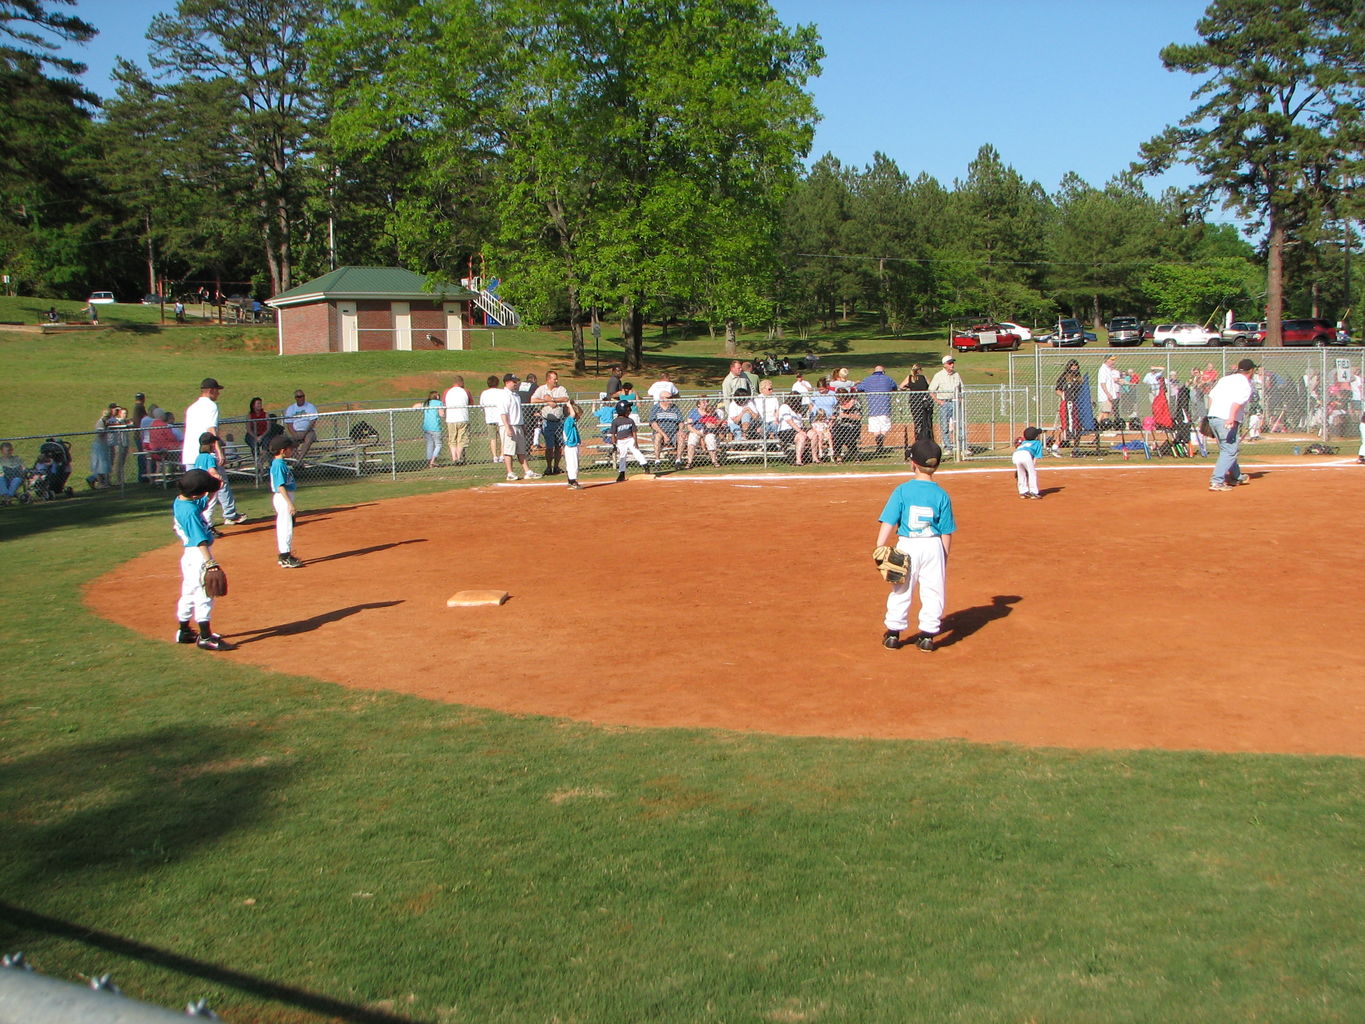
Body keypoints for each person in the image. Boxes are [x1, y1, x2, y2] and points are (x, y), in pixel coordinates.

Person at [876, 439, 955, 652]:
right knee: (933, 590)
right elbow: (946, 531)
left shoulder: (902, 490)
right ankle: (928, 635)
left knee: (901, 588)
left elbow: (889, 521)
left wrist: (880, 546)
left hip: (907, 544)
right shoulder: (942, 494)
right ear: (937, 466)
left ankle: (893, 633)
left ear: (912, 463)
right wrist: (943, 556)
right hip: (933, 545)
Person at [172, 468, 229, 650]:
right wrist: (210, 562)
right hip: (198, 554)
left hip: (189, 556)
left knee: (188, 592)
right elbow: (200, 540)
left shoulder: (182, 501)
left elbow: (203, 501)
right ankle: (205, 636)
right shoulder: (190, 513)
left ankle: (184, 631)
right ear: (196, 494)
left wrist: (213, 488)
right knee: (205, 594)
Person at [183, 377, 245, 523]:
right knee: (219, 481)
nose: (218, 393)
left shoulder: (192, 407)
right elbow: (211, 429)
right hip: (205, 453)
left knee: (192, 488)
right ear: (211, 390)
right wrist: (218, 450)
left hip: (190, 453)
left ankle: (188, 519)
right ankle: (228, 515)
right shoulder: (211, 406)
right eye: (217, 390)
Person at [1207, 358, 1257, 491]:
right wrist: (1231, 418)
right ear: (1251, 371)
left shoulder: (1225, 379)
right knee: (1229, 450)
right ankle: (1217, 481)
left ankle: (1236, 476)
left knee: (1227, 449)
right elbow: (1237, 403)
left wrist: (1211, 416)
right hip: (1226, 418)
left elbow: (1211, 396)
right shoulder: (1245, 384)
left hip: (1214, 416)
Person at [268, 436, 304, 567]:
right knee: (286, 527)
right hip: (283, 497)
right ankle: (285, 556)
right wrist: (289, 504)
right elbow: (280, 486)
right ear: (283, 450)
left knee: (287, 525)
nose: (292, 450)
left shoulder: (280, 463)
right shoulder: (278, 465)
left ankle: (285, 554)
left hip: (285, 497)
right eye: (290, 449)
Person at [497, 373, 538, 481]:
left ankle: (527, 471)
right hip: (509, 425)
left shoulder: (516, 395)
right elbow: (503, 413)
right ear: (507, 383)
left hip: (518, 425)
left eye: (516, 382)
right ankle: (510, 472)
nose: (516, 384)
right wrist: (507, 427)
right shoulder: (504, 395)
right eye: (514, 382)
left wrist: (523, 426)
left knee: (521, 450)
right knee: (508, 451)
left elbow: (519, 412)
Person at [533, 370, 570, 474]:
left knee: (559, 446)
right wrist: (546, 401)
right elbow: (533, 400)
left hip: (559, 421)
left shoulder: (561, 388)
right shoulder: (541, 389)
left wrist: (553, 399)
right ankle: (548, 467)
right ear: (548, 379)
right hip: (547, 421)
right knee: (549, 446)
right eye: (554, 379)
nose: (556, 381)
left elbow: (565, 398)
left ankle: (556, 467)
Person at [857, 365, 897, 451]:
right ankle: (881, 441)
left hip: (872, 408)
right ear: (883, 372)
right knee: (884, 427)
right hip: (885, 407)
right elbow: (894, 387)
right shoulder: (888, 379)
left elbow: (859, 388)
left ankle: (878, 442)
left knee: (875, 428)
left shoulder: (867, 380)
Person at [928, 356, 963, 453]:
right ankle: (948, 447)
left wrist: (960, 399)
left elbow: (961, 388)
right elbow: (931, 390)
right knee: (945, 426)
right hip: (945, 403)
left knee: (959, 425)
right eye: (950, 363)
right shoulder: (939, 375)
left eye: (952, 363)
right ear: (945, 364)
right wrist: (938, 401)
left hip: (955, 401)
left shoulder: (956, 375)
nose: (952, 365)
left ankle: (962, 446)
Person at [610, 399, 649, 482]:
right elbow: (613, 434)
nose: (630, 410)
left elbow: (634, 432)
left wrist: (636, 441)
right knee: (622, 456)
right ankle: (622, 473)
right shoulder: (615, 421)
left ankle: (645, 465)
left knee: (636, 451)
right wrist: (614, 444)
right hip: (620, 441)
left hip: (630, 439)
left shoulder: (630, 420)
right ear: (622, 410)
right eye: (628, 408)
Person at [1053, 359, 1083, 454]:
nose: (1074, 367)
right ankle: (1055, 445)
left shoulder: (1079, 377)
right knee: (1065, 425)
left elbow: (1081, 392)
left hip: (1076, 404)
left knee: (1077, 426)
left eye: (1075, 365)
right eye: (1072, 365)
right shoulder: (1064, 376)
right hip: (1066, 404)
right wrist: (1064, 396)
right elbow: (1057, 389)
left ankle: (1076, 447)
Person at [282, 389, 318, 466]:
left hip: (308, 431)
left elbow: (313, 422)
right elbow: (289, 424)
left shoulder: (310, 407)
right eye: (298, 396)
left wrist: (305, 433)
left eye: (302, 396)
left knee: (309, 439)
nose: (301, 398)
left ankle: (299, 459)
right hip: (296, 431)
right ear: (295, 398)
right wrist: (294, 434)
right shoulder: (291, 408)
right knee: (288, 442)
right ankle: (299, 462)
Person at [684, 398, 722, 468]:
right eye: (703, 403)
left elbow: (718, 423)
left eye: (706, 402)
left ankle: (714, 460)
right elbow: (689, 426)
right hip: (696, 430)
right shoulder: (693, 411)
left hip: (709, 431)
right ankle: (689, 462)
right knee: (692, 440)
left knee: (710, 438)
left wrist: (713, 425)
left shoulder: (712, 411)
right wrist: (697, 432)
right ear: (699, 405)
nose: (706, 404)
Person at [899, 364, 933, 442]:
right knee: (925, 419)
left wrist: (908, 387)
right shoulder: (924, 377)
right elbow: (931, 386)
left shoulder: (910, 378)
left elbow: (901, 386)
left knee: (917, 420)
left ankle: (917, 437)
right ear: (920, 370)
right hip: (923, 401)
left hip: (914, 401)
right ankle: (926, 437)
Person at [648, 393, 684, 464]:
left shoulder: (674, 408)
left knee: (681, 436)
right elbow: (653, 424)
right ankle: (657, 460)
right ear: (662, 398)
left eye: (671, 397)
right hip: (660, 432)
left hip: (674, 432)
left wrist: (680, 430)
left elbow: (681, 422)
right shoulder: (656, 408)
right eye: (668, 398)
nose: (671, 399)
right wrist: (664, 435)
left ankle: (678, 460)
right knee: (657, 437)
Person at [443, 375, 470, 465]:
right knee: (461, 439)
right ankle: (458, 457)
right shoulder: (465, 391)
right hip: (463, 418)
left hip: (451, 419)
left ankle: (454, 457)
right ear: (461, 382)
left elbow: (444, 402)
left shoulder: (447, 391)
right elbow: (471, 402)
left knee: (452, 439)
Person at [86, 403, 115, 488]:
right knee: (101, 465)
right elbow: (100, 434)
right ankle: (101, 483)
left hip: (104, 446)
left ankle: (104, 481)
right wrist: (106, 429)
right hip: (100, 446)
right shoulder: (100, 423)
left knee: (105, 465)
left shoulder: (106, 422)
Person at [477, 374, 504, 462]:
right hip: (501, 418)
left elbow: (482, 405)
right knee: (502, 437)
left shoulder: (484, 393)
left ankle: (495, 456)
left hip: (490, 418)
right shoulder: (501, 392)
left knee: (493, 438)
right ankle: (502, 455)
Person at [1012, 426, 1044, 499]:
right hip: (1026, 455)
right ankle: (1033, 492)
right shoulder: (1037, 443)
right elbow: (1036, 457)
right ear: (1036, 436)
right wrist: (1032, 466)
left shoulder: (1023, 442)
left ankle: (1023, 492)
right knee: (1032, 474)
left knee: (1021, 474)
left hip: (1016, 455)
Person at [832, 389, 862, 462]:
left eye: (840, 398)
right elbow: (835, 415)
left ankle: (855, 455)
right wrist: (833, 419)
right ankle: (838, 457)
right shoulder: (838, 405)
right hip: (840, 425)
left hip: (853, 425)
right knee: (837, 436)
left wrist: (846, 416)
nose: (840, 400)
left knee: (849, 438)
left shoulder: (855, 403)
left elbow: (858, 417)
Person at [416, 390, 444, 467]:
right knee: (438, 444)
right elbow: (441, 414)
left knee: (430, 443)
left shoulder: (426, 403)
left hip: (427, 427)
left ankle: (429, 461)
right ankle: (433, 461)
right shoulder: (439, 403)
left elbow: (416, 406)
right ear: (437, 396)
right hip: (436, 427)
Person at [562, 400, 584, 489]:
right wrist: (569, 405)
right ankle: (572, 480)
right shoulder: (568, 421)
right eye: (578, 415)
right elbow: (572, 415)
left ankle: (571, 480)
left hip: (574, 445)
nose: (579, 417)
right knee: (573, 464)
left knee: (574, 463)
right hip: (570, 446)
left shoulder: (571, 423)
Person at [1098, 355, 1122, 425]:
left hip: (1109, 394)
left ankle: (1098, 426)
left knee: (1105, 411)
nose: (1113, 362)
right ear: (1106, 360)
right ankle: (1104, 426)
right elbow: (1102, 383)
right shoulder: (1103, 369)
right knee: (1105, 412)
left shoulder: (1108, 369)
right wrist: (1108, 394)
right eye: (1111, 360)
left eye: (1113, 360)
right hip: (1105, 395)